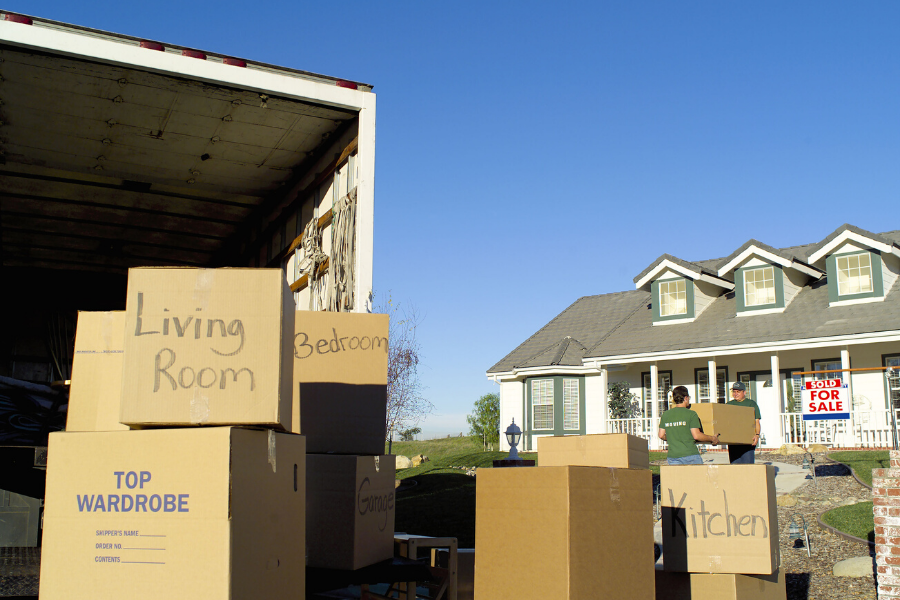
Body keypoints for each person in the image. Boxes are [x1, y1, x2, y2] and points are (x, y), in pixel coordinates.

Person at [658, 385, 719, 465]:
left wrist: (674, 438)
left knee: (678, 478)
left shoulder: (666, 415)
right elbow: (696, 435)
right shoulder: (691, 414)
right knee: (697, 477)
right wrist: (712, 438)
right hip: (690, 455)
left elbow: (661, 435)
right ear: (686, 398)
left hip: (673, 456)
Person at [726, 381, 761, 464]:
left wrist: (757, 435)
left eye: (738, 392)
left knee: (748, 466)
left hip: (748, 441)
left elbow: (757, 421)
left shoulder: (751, 404)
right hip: (733, 441)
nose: (735, 394)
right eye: (734, 392)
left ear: (744, 392)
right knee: (735, 466)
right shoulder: (728, 404)